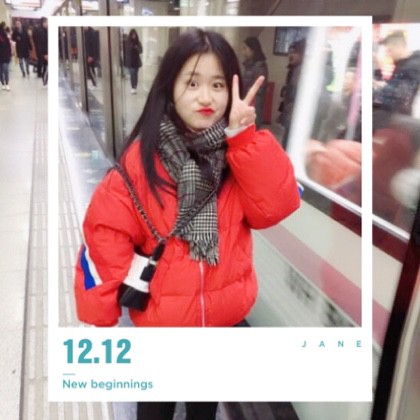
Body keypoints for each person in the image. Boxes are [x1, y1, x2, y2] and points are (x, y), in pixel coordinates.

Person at [74, 29, 300, 420]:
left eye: (217, 85)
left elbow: (275, 207)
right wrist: (100, 312)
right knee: (155, 410)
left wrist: (245, 138)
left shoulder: (238, 154)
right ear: (170, 88)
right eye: (192, 83)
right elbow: (105, 232)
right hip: (162, 326)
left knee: (203, 408)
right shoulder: (142, 160)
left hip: (218, 324)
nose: (206, 97)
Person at [373, 30, 420, 129]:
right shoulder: (401, 64)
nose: (388, 54)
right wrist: (378, 69)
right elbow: (391, 85)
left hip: (398, 117)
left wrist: (380, 86)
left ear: (399, 46)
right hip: (392, 114)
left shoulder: (413, 66)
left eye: (389, 50)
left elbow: (401, 94)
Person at [276, 38, 306, 150]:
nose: (291, 55)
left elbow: (296, 93)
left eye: (295, 53)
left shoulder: (301, 70)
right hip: (291, 111)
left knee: (289, 142)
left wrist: (288, 92)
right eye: (290, 52)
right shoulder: (294, 69)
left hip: (295, 113)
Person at [241, 36, 268, 128]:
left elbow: (258, 89)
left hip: (254, 102)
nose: (243, 52)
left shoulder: (259, 66)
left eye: (245, 48)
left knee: (252, 127)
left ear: (252, 50)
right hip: (247, 101)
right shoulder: (249, 65)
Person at [124, 28, 143, 94]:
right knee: (132, 74)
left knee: (136, 74)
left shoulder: (138, 42)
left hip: (136, 61)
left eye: (134, 35)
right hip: (130, 61)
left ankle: (135, 87)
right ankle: (133, 87)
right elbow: (126, 51)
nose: (133, 36)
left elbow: (141, 51)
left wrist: (137, 48)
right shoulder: (128, 42)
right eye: (132, 35)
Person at [33, 17, 48, 85]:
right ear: (43, 23)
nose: (47, 24)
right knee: (44, 64)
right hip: (42, 51)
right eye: (46, 22)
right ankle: (44, 77)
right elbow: (42, 43)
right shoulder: (41, 31)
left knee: (43, 63)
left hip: (40, 50)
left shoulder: (42, 30)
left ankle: (42, 75)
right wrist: (45, 53)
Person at [0, 21, 11, 91]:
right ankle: (5, 84)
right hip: (4, 55)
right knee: (4, 70)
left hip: (5, 55)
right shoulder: (4, 34)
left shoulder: (6, 34)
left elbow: (8, 44)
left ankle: (4, 84)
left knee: (3, 70)